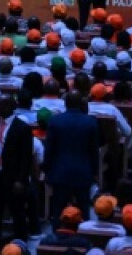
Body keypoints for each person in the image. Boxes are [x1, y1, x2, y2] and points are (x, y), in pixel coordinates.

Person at [0, 96, 34, 255]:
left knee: (17, 214)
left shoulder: (22, 128)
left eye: (0, 104)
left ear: (10, 106)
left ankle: (21, 246)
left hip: (12, 177)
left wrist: (21, 180)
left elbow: (26, 157)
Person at [43, 91, 99, 224]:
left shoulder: (55, 121)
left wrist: (47, 170)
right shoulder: (90, 122)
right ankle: (83, 238)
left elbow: (49, 150)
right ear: (81, 104)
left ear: (65, 103)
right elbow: (93, 151)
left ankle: (57, 239)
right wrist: (94, 172)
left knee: (58, 210)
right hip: (83, 171)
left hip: (59, 171)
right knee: (83, 209)